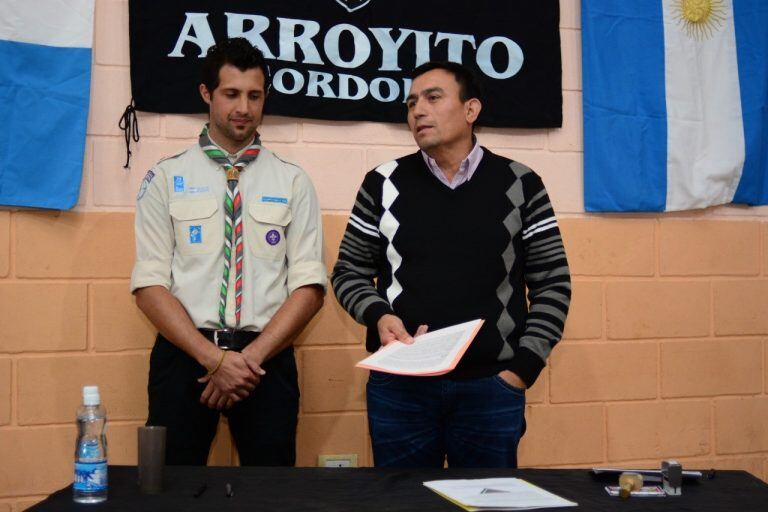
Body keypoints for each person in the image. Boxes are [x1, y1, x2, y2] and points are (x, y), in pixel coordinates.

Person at [331, 61, 571, 468]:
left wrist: (521, 373)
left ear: (471, 109)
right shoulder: (383, 182)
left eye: (433, 97)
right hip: (399, 387)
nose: (417, 111)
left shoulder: (520, 183)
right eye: (410, 103)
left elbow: (553, 284)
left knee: (485, 502)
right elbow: (348, 271)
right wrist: (378, 316)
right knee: (403, 505)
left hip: (490, 389)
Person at [131, 38, 326, 466]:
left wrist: (246, 362)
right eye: (231, 94)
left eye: (254, 96)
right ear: (207, 94)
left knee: (271, 493)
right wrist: (214, 360)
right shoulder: (166, 177)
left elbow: (310, 287)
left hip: (266, 360)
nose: (244, 107)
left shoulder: (292, 181)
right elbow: (149, 285)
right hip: (185, 358)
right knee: (172, 491)